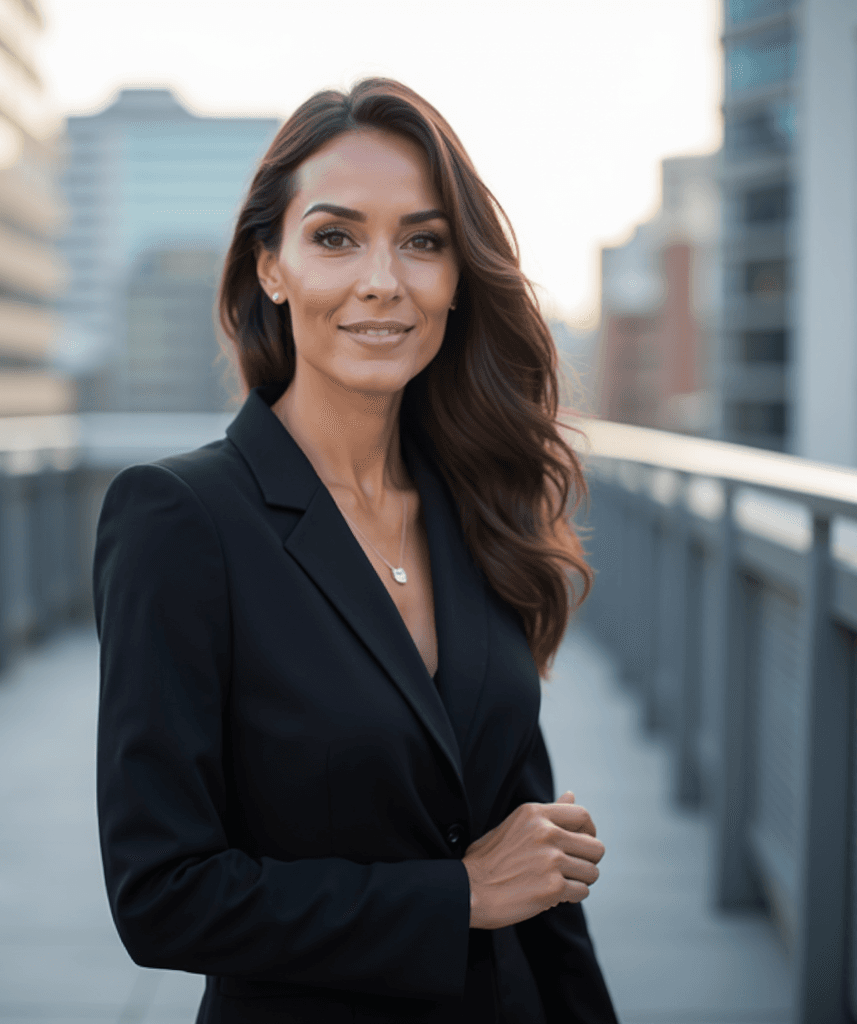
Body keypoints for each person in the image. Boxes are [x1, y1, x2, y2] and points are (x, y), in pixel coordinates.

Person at [94, 78, 618, 1024]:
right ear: (271, 265)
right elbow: (160, 896)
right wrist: (457, 896)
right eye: (336, 237)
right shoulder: (179, 519)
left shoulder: (475, 504)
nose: (385, 279)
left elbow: (528, 865)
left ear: (458, 278)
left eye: (423, 241)